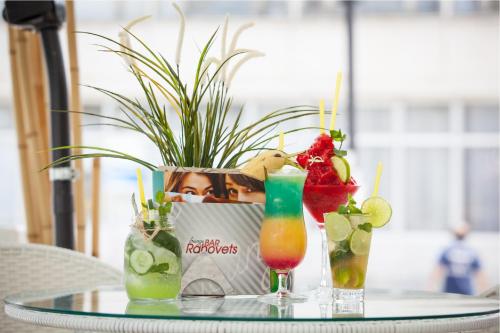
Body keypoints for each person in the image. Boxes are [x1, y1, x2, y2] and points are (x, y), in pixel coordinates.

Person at [429, 223, 488, 295]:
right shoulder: (471, 252)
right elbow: (480, 275)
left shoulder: (447, 250)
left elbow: (437, 271)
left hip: (449, 291)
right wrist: (485, 292)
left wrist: (430, 288)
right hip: (465, 291)